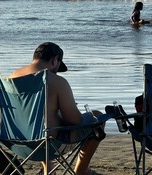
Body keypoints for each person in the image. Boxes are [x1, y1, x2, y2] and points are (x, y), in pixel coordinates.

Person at [9, 42, 105, 175]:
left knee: (41, 122)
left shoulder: (12, 77)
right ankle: (81, 171)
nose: (56, 71)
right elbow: (75, 121)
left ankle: (49, 169)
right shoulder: (57, 81)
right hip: (50, 146)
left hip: (17, 143)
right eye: (58, 66)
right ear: (55, 60)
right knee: (98, 117)